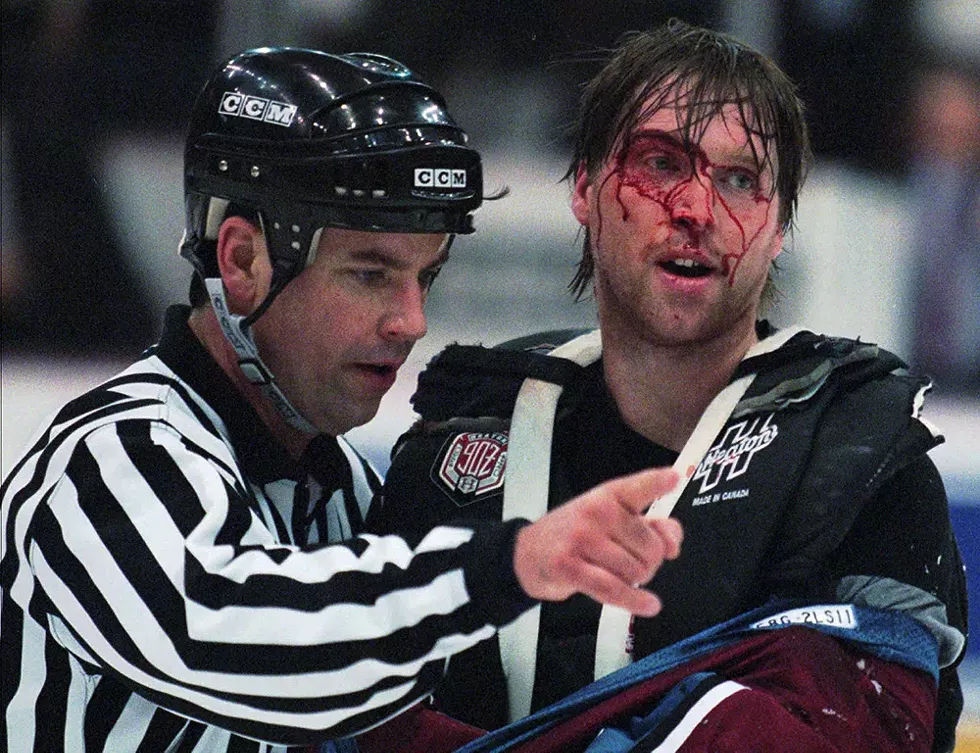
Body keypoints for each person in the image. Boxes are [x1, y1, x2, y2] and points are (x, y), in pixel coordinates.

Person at [0, 47, 685, 753]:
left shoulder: (344, 493)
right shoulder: (104, 463)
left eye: (427, 276)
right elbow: (244, 634)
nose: (411, 321)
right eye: (370, 273)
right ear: (241, 261)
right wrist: (508, 564)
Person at [373, 20, 969, 752]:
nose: (697, 211)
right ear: (586, 187)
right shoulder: (461, 437)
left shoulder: (864, 462)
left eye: (740, 179)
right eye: (660, 164)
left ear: (781, 223)